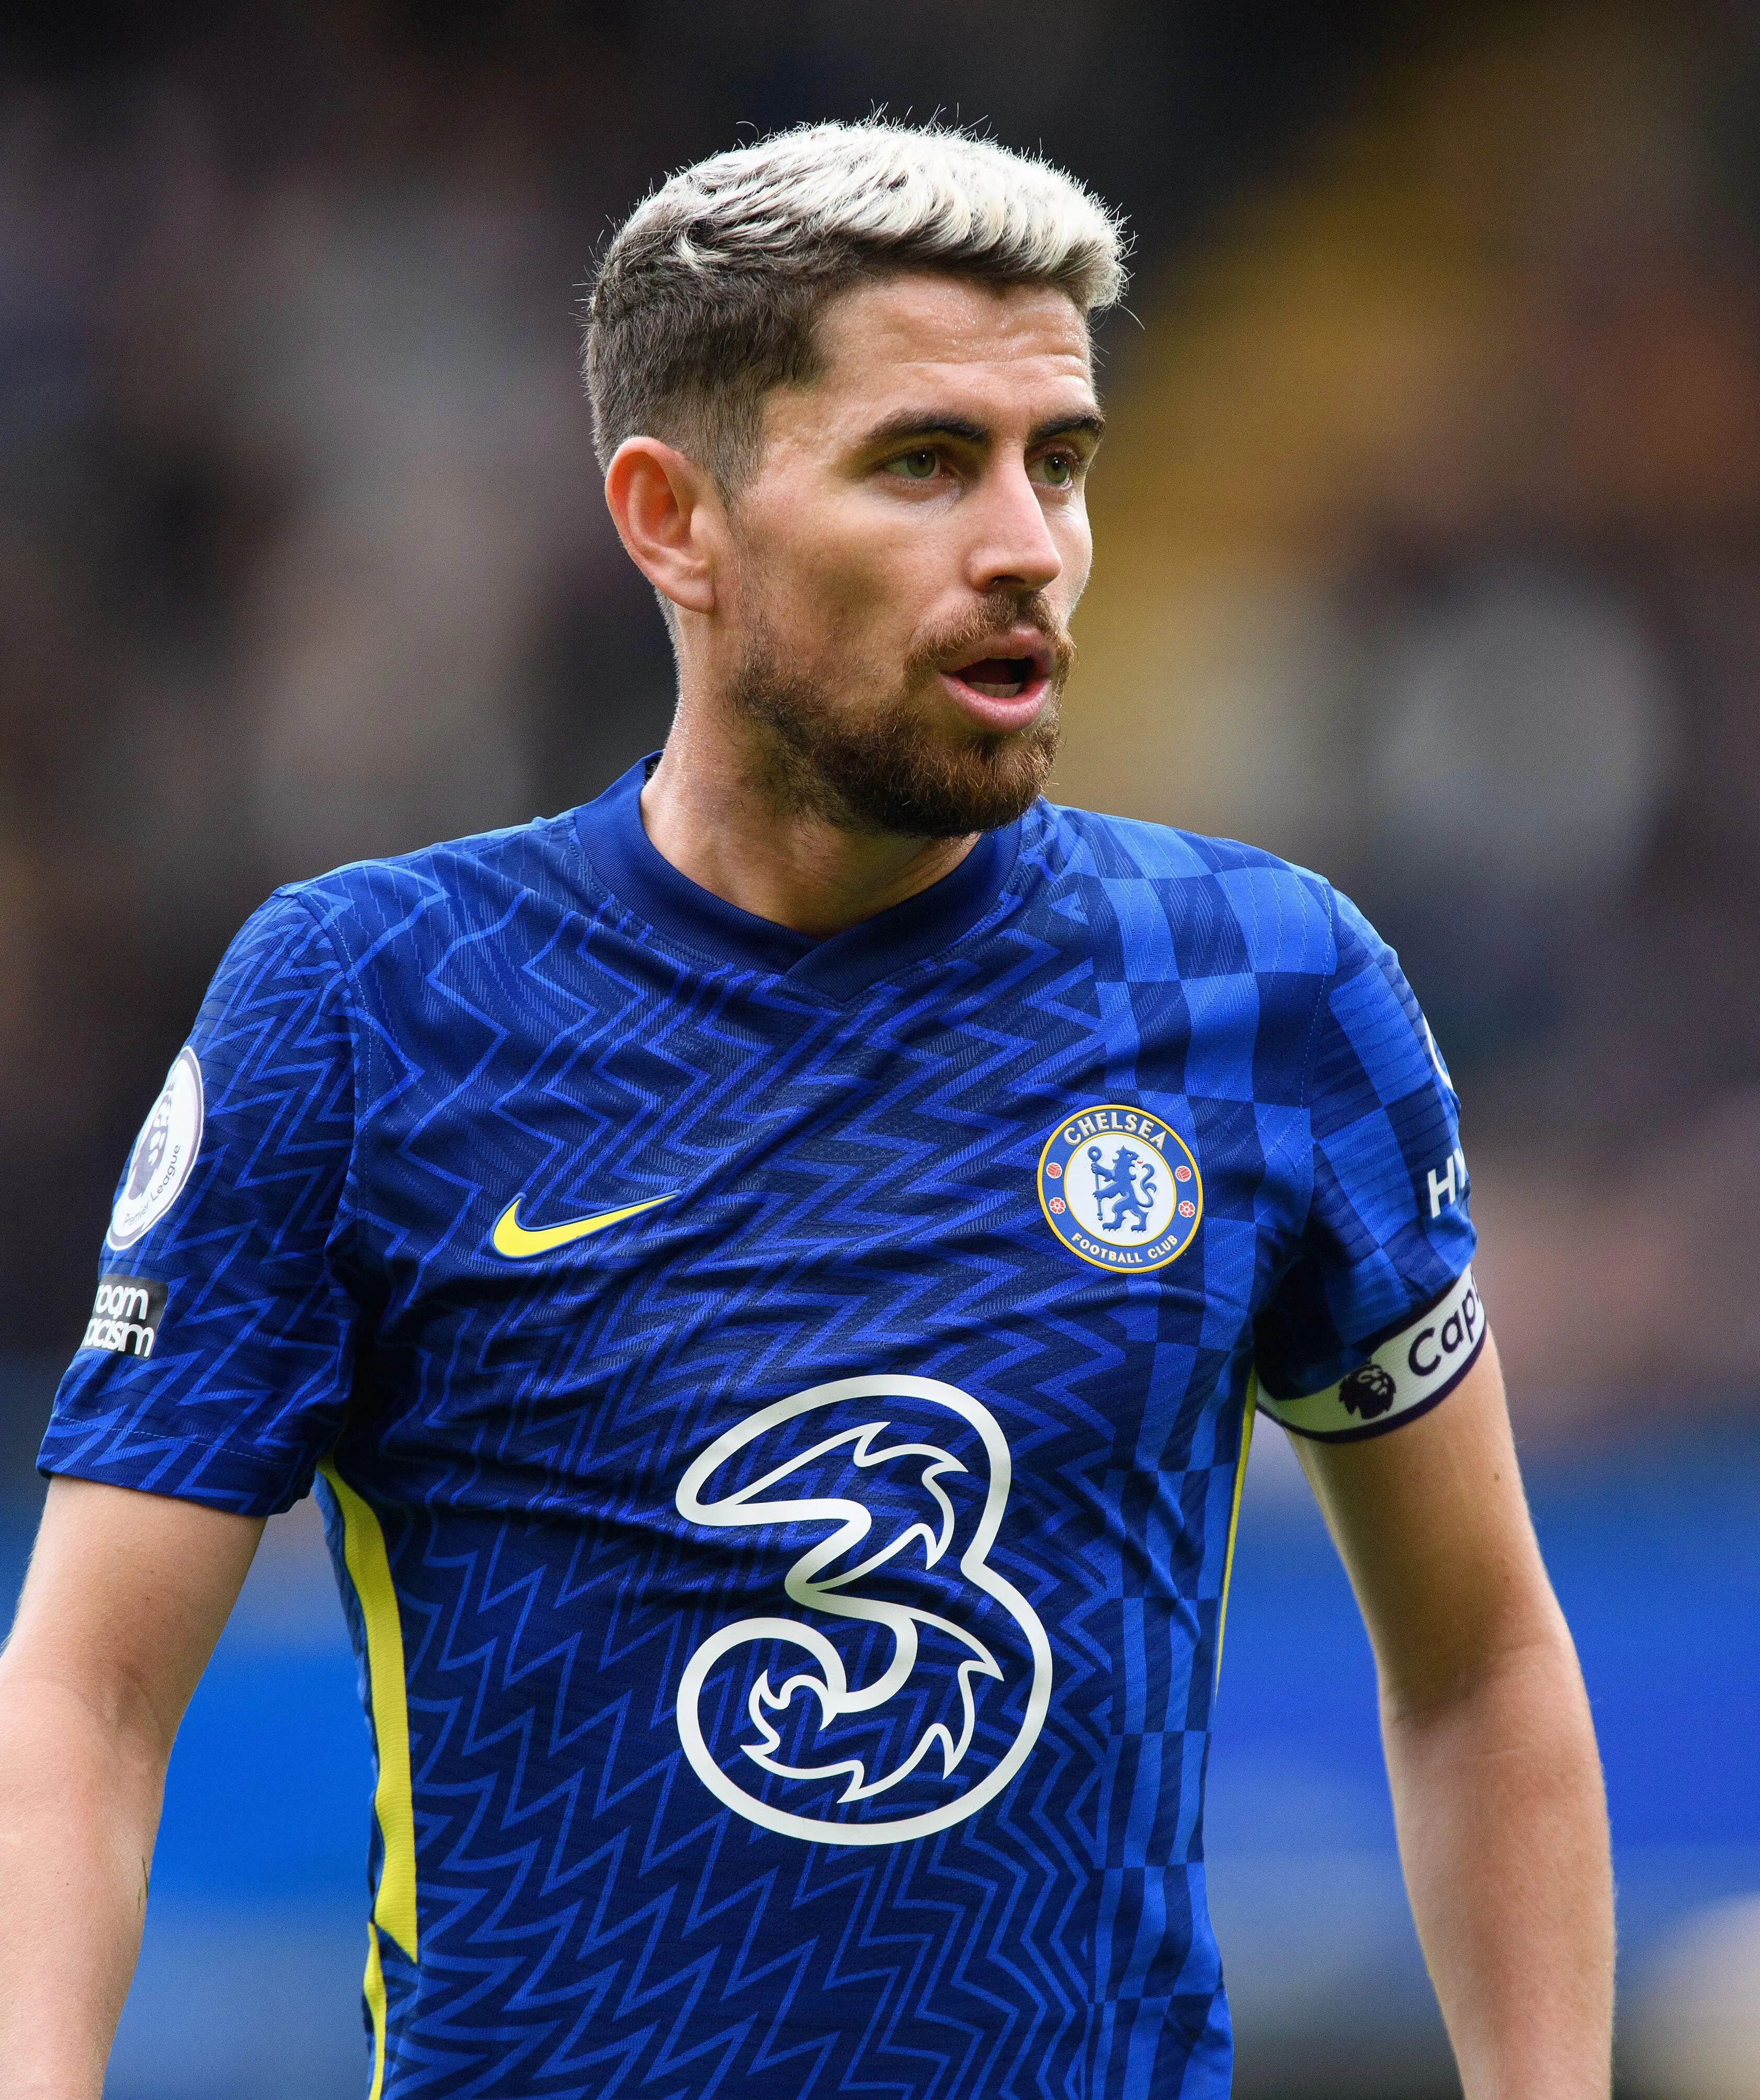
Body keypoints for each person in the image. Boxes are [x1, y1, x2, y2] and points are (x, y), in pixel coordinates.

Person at [0, 121, 1612, 2099]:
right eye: (924, 463)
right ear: (673, 517)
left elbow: (1481, 1664)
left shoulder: (1261, 987)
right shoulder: (370, 1005)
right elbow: (80, 1700)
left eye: (1063, 459)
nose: (1026, 542)